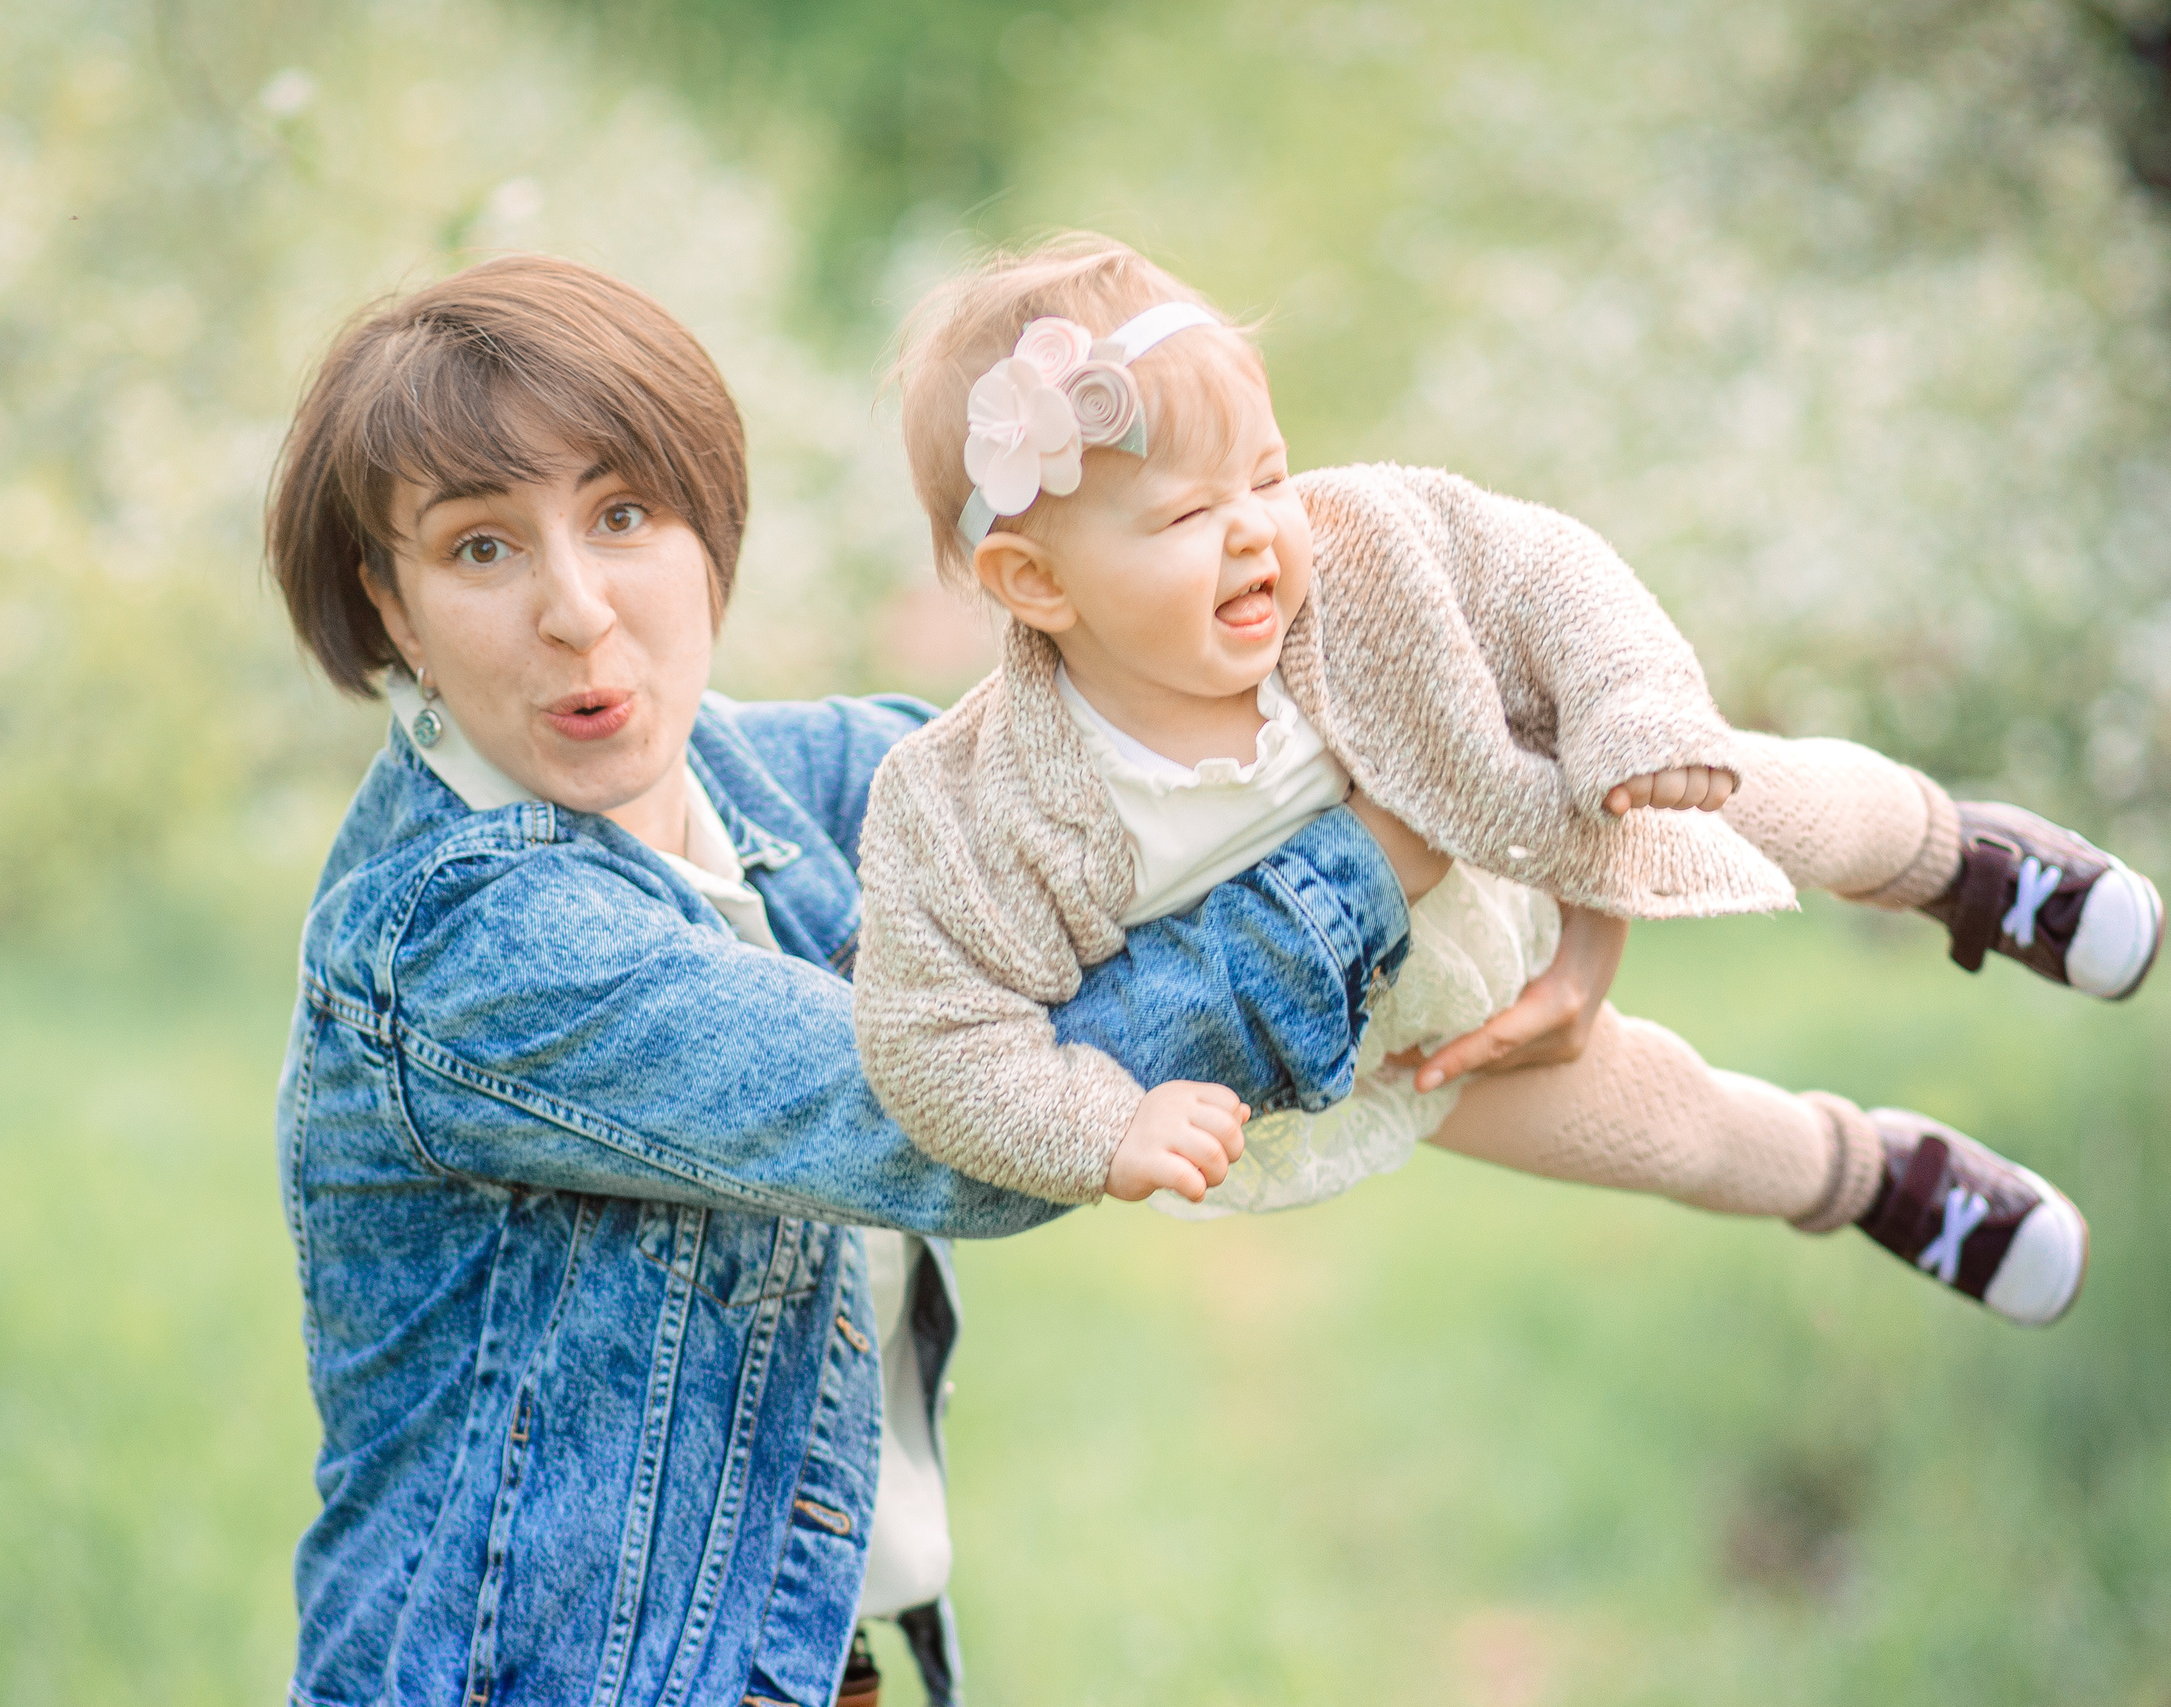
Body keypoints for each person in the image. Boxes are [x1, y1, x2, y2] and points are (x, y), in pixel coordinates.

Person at [263, 254, 1436, 1707]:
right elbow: (946, 1129)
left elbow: (1121, 815)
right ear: (390, 607)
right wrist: (1381, 861)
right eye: (480, 549)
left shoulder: (769, 780)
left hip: (832, 1666)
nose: (577, 609)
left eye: (624, 515)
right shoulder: (467, 936)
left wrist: (1513, 841)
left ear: (708, 531)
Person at [855, 234, 2165, 1326]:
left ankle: (1963, 863)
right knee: (1669, 1131)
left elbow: (1543, 571)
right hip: (1409, 1038)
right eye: (1193, 516)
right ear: (1036, 582)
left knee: (1756, 795)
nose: (1261, 526)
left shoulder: (1361, 539)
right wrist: (1100, 1125)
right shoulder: (977, 806)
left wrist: (1627, 711)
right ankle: (1871, 1174)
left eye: (1266, 474)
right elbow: (931, 1036)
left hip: (1543, 787)